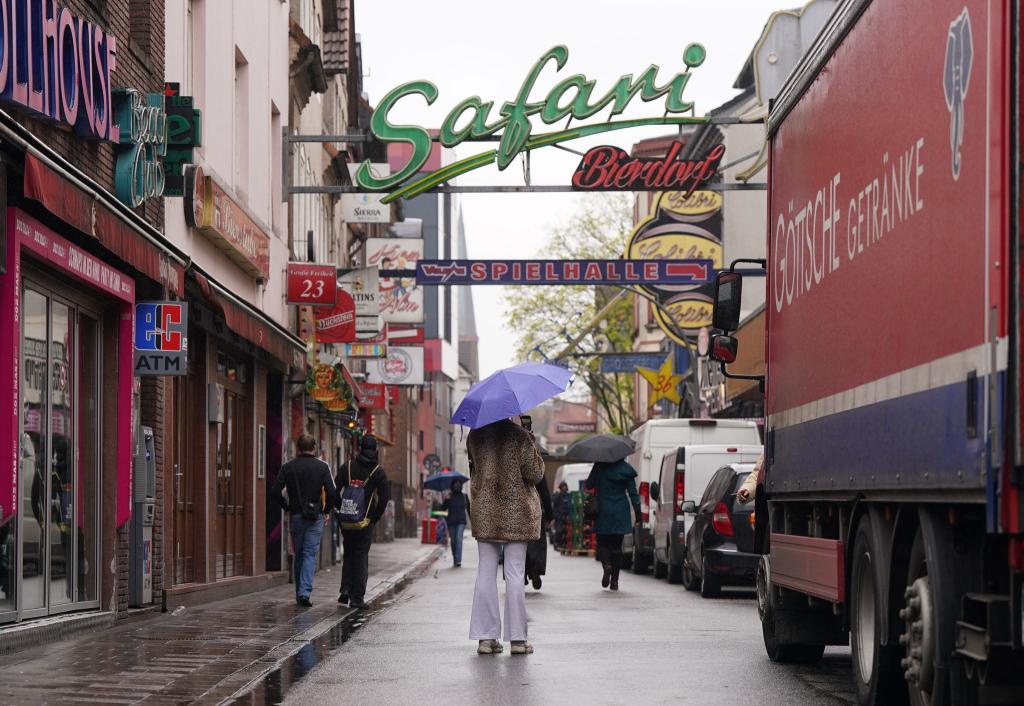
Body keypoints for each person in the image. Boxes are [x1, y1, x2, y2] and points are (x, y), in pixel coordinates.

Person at [467, 417, 544, 655]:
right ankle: (518, 641)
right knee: (514, 573)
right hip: (516, 512)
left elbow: (474, 472)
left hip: (486, 510)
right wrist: (530, 438)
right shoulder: (519, 436)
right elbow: (536, 474)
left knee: (486, 573)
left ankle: (486, 639)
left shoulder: (475, 436)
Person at [270, 434, 336, 607]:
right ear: (314, 448)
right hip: (315, 517)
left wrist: (287, 507)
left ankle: (300, 591)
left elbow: (275, 491)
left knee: (299, 553)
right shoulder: (322, 467)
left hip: (296, 516)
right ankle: (304, 593)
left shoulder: (288, 467)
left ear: (298, 448)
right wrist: (326, 510)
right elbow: (332, 492)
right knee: (309, 554)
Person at [336, 434, 390, 610]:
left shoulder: (347, 467)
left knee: (349, 554)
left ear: (360, 447)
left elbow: (334, 491)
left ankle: (345, 590)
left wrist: (340, 511)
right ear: (375, 450)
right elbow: (384, 499)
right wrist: (374, 518)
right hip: (365, 522)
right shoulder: (378, 472)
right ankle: (357, 597)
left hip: (347, 520)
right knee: (360, 557)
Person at [586, 458, 641, 591]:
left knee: (603, 543)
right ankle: (615, 582)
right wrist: (638, 515)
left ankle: (607, 566)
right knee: (617, 547)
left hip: (603, 509)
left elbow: (589, 484)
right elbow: (634, 494)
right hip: (620, 511)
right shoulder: (626, 469)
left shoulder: (599, 466)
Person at [525, 476, 553, 590]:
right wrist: (550, 515)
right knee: (536, 542)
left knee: (518, 543)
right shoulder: (535, 464)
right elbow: (545, 492)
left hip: (515, 510)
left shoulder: (509, 461)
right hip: (534, 509)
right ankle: (535, 569)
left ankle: (520, 573)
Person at [442, 479, 470, 567]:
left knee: (458, 540)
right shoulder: (450, 497)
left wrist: (473, 521)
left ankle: (458, 560)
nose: (457, 486)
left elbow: (469, 510)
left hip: (461, 522)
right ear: (452, 486)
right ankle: (455, 557)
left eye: (459, 484)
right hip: (451, 522)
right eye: (455, 484)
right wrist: (446, 499)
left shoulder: (464, 496)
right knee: (453, 541)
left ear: (461, 485)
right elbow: (442, 508)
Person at [551, 481, 570, 549]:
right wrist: (557, 493)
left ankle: (562, 544)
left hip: (565, 515)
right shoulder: (558, 494)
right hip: (558, 515)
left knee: (564, 530)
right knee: (559, 530)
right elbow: (553, 500)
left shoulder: (567, 495)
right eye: (563, 487)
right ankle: (556, 544)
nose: (564, 488)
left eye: (565, 486)